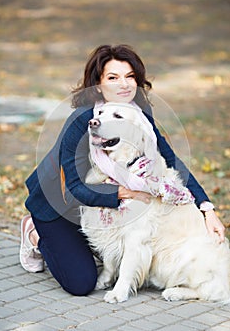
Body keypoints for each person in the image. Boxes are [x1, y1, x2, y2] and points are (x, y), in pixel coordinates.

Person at [20, 44, 225, 296]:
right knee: (81, 283)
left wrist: (207, 209)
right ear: (98, 84)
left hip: (100, 205)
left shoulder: (140, 116)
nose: (124, 85)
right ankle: (33, 234)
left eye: (130, 77)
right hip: (60, 204)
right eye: (113, 78)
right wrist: (125, 193)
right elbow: (74, 188)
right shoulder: (82, 121)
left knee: (124, 239)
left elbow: (172, 162)